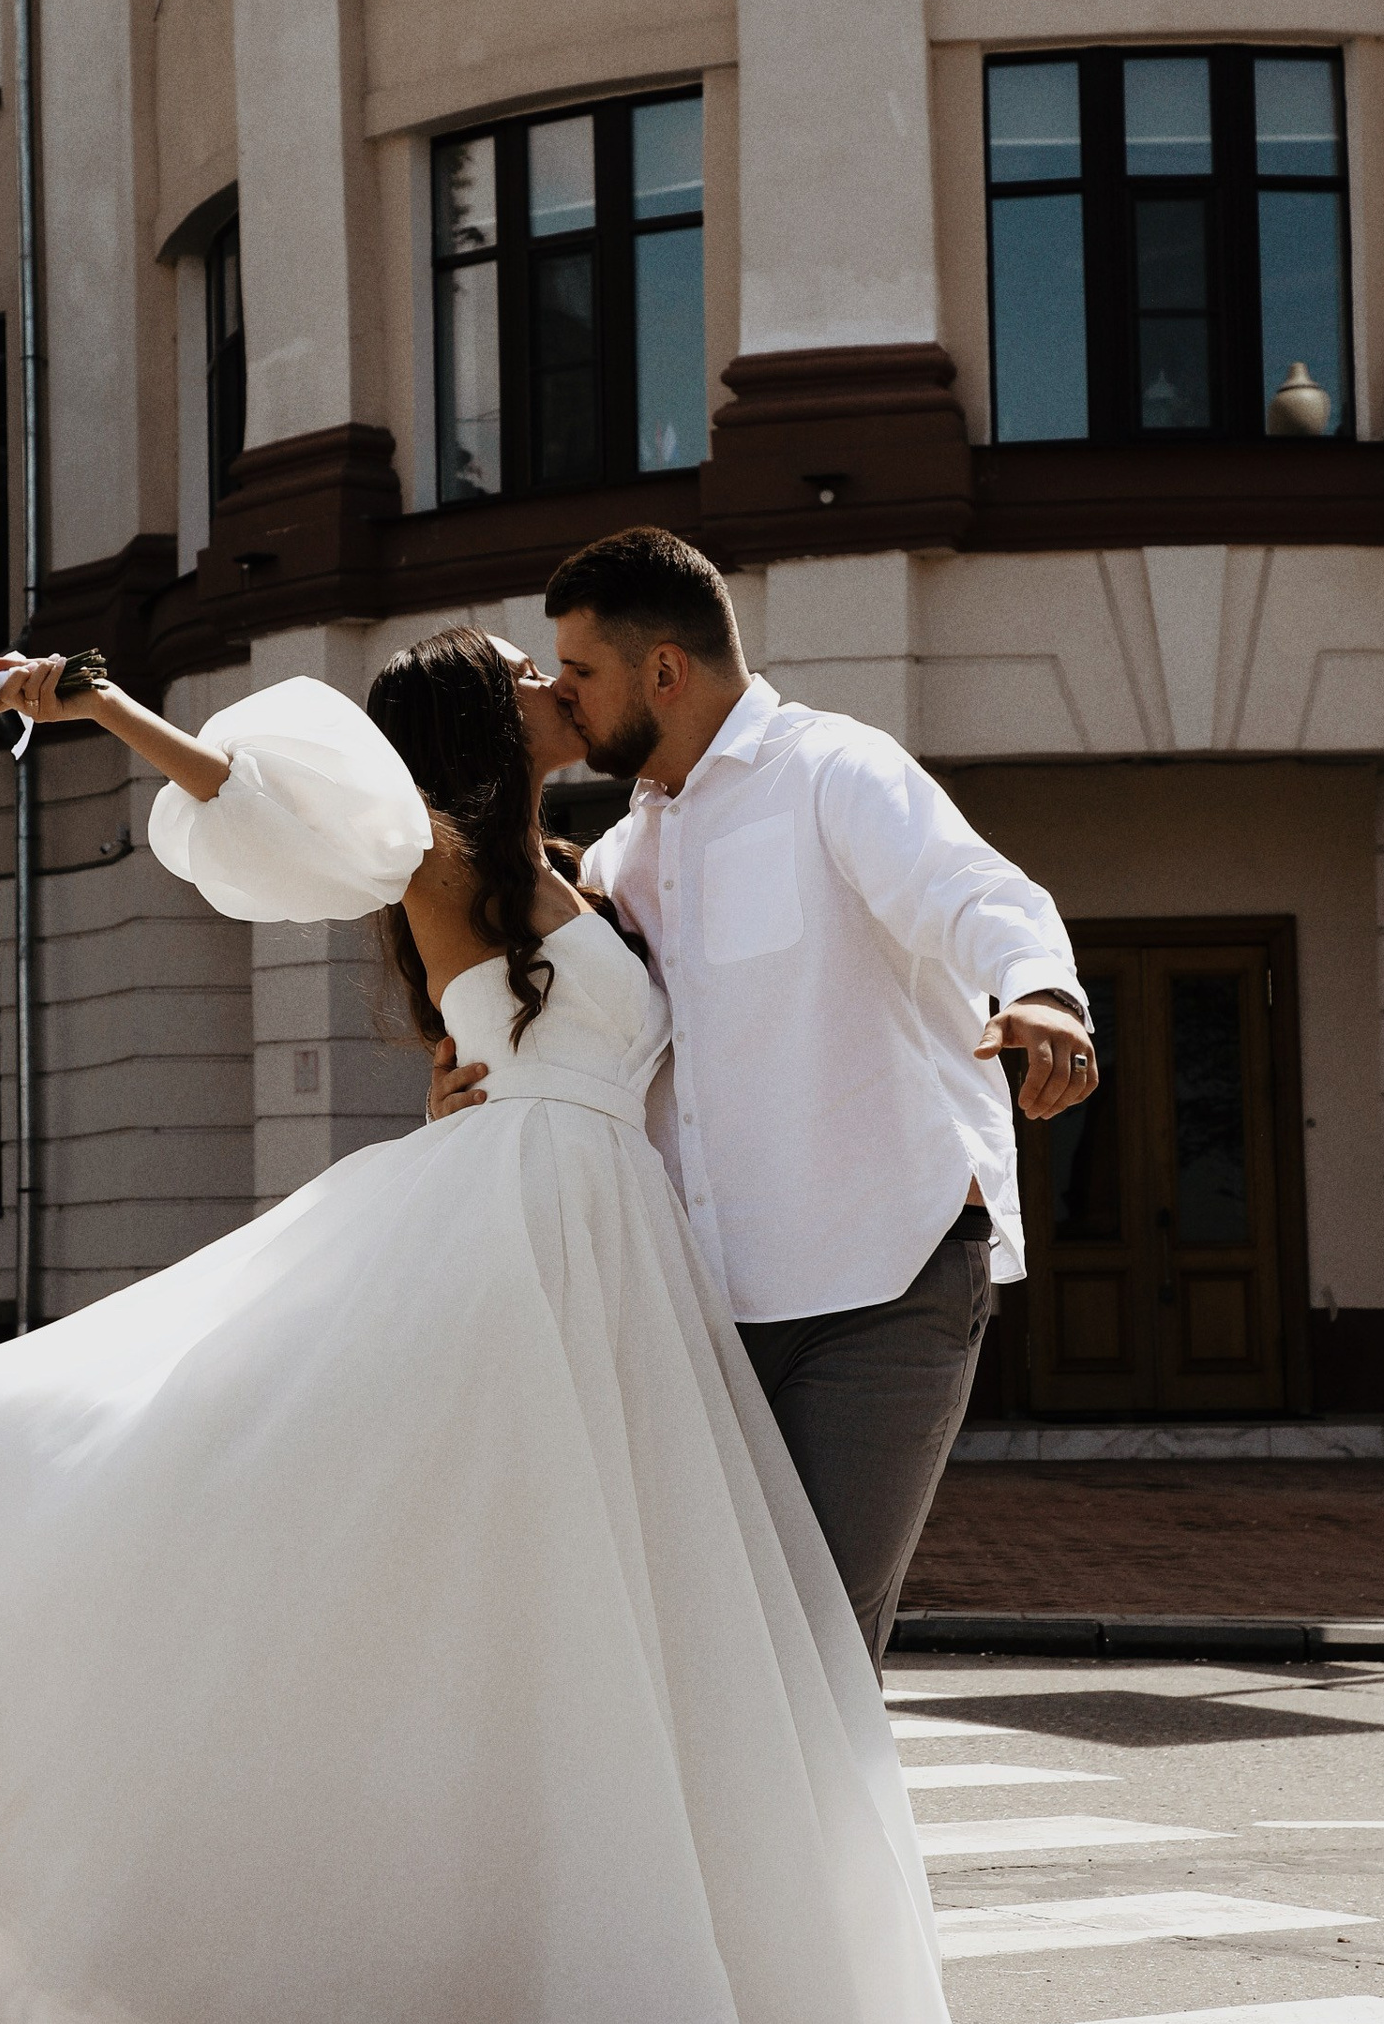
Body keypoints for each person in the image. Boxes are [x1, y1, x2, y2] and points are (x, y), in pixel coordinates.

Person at [0, 629, 963, 2024]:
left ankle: (581, 2013)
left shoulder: (579, 864)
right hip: (512, 1246)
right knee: (417, 1603)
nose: (547, 677)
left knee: (580, 1652)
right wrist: (104, 703)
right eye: (524, 666)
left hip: (610, 1254)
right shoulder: (426, 851)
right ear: (472, 714)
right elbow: (253, 793)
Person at [433, 529, 1093, 1663]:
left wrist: (1044, 995)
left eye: (579, 674)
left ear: (664, 673)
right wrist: (477, 1085)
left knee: (819, 1644)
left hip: (881, 1286)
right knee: (715, 1648)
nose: (563, 697)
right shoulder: (622, 855)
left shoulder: (835, 771)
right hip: (699, 1307)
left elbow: (979, 892)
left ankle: (829, 1849)